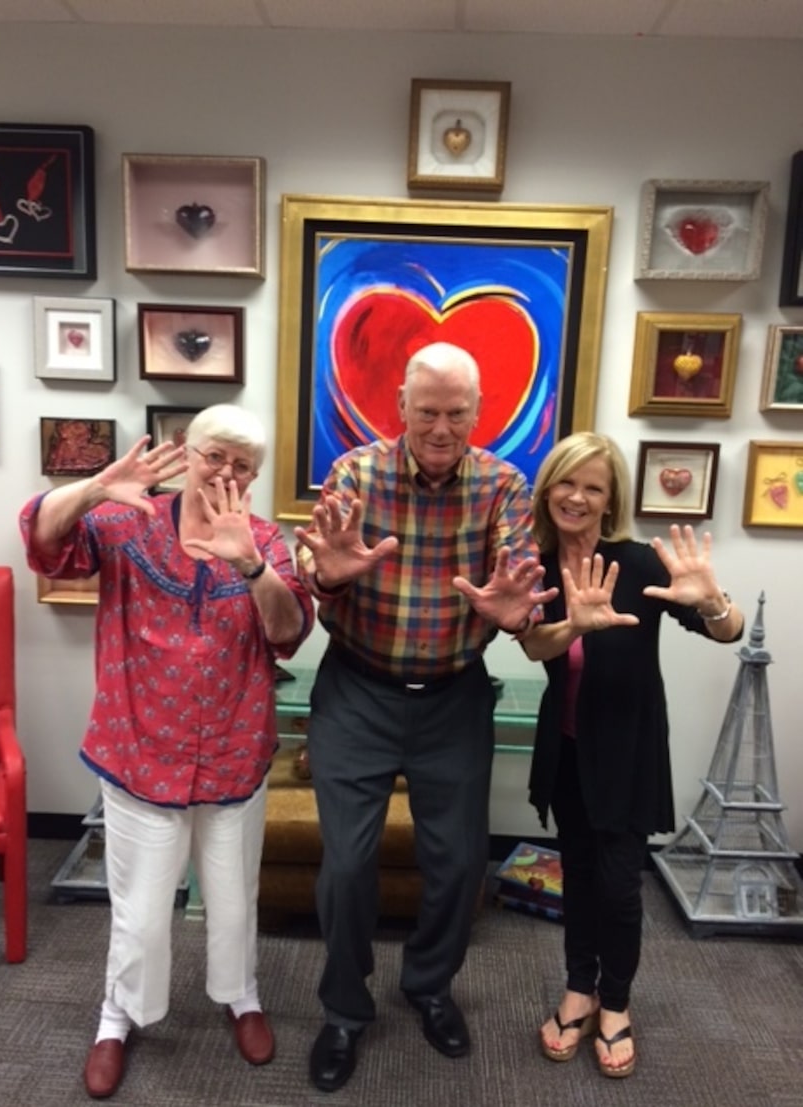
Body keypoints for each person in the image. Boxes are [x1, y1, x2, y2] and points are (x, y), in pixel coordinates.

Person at [19, 404, 315, 1099]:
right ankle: (117, 1015)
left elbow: (289, 629)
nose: (227, 472)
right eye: (215, 455)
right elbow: (44, 540)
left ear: (254, 477)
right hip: (139, 753)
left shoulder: (268, 540)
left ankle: (241, 995)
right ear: (189, 453)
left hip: (235, 757)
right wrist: (92, 487)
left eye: (244, 465)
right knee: (142, 909)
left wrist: (250, 566)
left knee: (235, 901)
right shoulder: (129, 520)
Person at [293, 341, 556, 1093]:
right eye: (428, 410)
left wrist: (512, 611)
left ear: (479, 411)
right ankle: (345, 1008)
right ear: (401, 406)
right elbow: (324, 567)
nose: (442, 428)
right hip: (358, 691)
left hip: (452, 696)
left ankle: (429, 984)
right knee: (346, 865)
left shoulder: (504, 483)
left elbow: (516, 571)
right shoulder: (356, 473)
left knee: (460, 860)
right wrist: (327, 581)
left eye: (457, 412)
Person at [519, 431, 744, 1079]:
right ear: (549, 487)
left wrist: (715, 601)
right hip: (564, 751)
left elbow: (724, 630)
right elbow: (535, 648)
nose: (578, 496)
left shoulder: (639, 562)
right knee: (579, 875)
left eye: (594, 486)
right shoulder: (535, 563)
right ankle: (578, 988)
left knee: (619, 885)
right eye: (567, 481)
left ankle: (614, 1002)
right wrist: (574, 625)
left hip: (627, 748)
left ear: (610, 496)